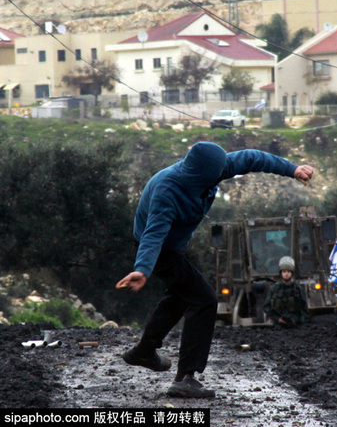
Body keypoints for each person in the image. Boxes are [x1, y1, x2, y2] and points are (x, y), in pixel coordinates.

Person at [115, 142, 313, 398]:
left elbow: (253, 158)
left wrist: (292, 169)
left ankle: (144, 350)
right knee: (205, 299)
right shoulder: (168, 190)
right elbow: (154, 233)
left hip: (174, 248)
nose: (221, 178)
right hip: (157, 249)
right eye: (215, 178)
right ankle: (186, 376)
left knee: (182, 295)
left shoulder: (216, 167)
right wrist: (142, 269)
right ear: (200, 176)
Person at [263, 256, 309, 328]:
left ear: (291, 273)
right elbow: (266, 307)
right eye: (284, 272)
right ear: (281, 273)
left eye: (288, 272)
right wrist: (277, 319)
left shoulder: (298, 289)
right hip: (278, 325)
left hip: (296, 324)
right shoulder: (274, 289)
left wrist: (300, 321)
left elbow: (304, 309)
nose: (286, 274)